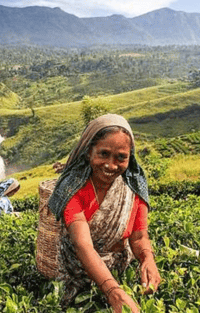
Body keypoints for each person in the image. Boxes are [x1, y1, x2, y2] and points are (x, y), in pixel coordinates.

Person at [48, 114, 161, 313]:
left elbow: (139, 236)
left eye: (121, 157)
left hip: (120, 271)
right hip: (79, 271)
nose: (111, 165)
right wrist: (113, 292)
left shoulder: (133, 189)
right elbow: (83, 247)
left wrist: (147, 259)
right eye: (103, 154)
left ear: (130, 157)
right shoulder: (73, 191)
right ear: (88, 153)